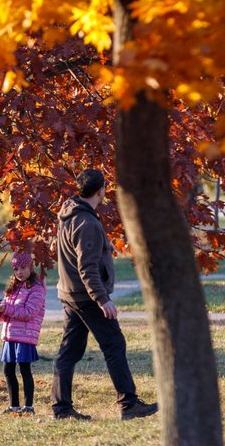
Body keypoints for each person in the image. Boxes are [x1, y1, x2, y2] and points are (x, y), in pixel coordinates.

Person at [52, 169, 159, 421]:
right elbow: (86, 267)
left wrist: (103, 247)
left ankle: (62, 408)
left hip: (70, 293)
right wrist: (102, 299)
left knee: (70, 351)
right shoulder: (86, 222)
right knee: (114, 344)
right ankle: (129, 404)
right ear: (101, 190)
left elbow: (76, 251)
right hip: (86, 297)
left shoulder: (71, 214)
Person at [0, 251, 46, 415]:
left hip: (25, 336)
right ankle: (14, 406)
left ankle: (29, 406)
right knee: (8, 370)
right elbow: (6, 314)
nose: (19, 272)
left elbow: (28, 312)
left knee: (25, 369)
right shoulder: (13, 288)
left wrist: (7, 309)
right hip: (9, 336)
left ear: (30, 267)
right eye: (16, 269)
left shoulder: (37, 289)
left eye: (23, 268)